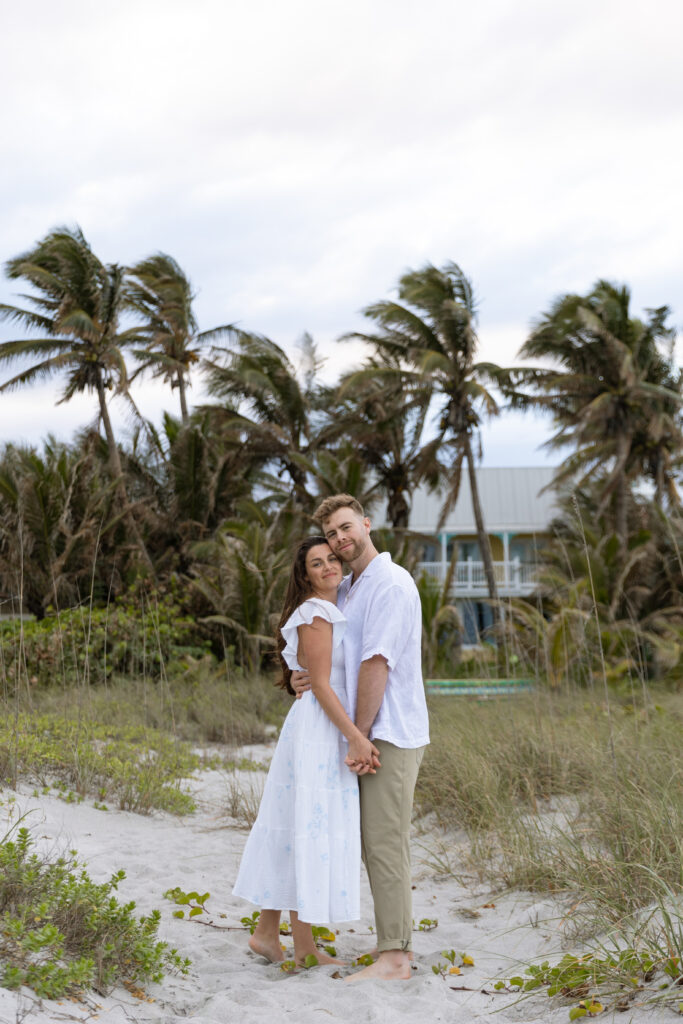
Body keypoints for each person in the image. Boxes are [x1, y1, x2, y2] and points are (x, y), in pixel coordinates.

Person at [292, 495, 429, 982]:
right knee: (372, 842)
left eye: (346, 528)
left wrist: (361, 736)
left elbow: (376, 663)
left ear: (366, 524)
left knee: (386, 841)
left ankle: (396, 957)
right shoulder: (348, 587)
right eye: (331, 534)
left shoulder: (389, 583)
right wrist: (300, 678)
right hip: (362, 733)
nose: (339, 539)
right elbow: (331, 658)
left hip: (386, 730)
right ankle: (389, 946)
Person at [232, 535, 380, 966]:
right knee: (308, 830)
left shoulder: (332, 609)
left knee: (297, 825)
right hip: (320, 730)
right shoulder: (316, 612)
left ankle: (266, 934)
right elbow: (319, 683)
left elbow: (313, 677)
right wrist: (355, 735)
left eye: (332, 558)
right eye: (317, 563)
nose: (328, 567)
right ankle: (304, 949)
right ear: (306, 574)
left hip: (317, 726)